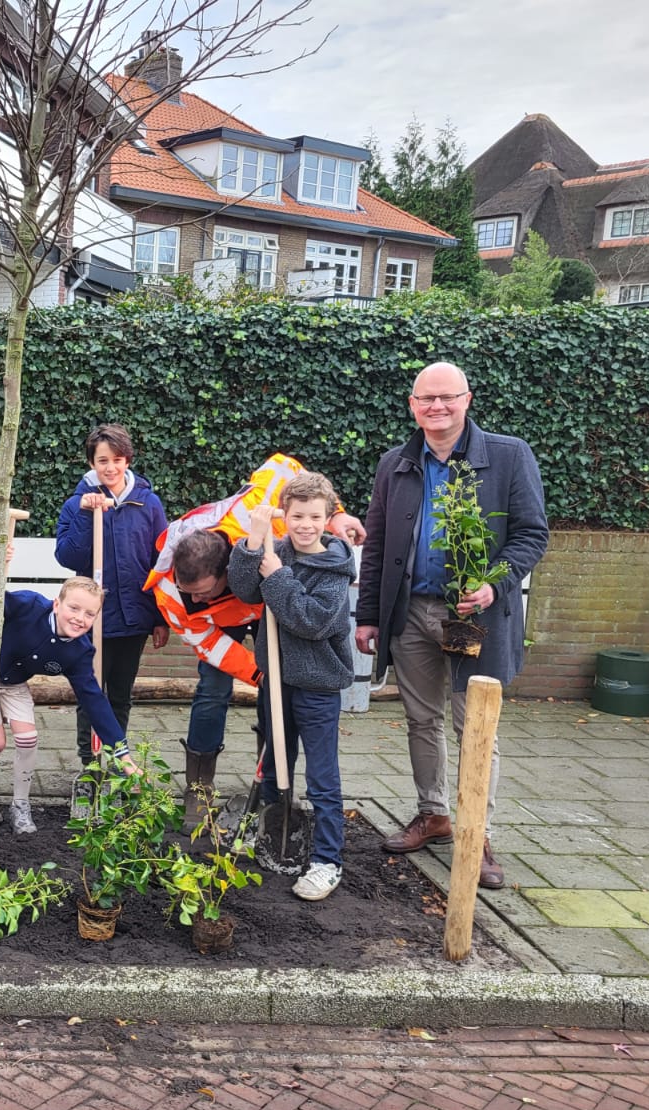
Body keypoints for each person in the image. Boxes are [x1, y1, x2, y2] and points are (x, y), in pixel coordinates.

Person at [355, 361, 548, 889]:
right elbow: (377, 545)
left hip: (471, 617)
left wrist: (494, 584)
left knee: (474, 724)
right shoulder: (395, 463)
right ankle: (434, 813)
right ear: (412, 405)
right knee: (422, 719)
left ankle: (475, 832)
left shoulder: (508, 456)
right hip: (411, 613)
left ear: (467, 399)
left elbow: (532, 534)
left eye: (447, 397)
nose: (436, 406)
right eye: (426, 398)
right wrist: (368, 615)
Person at [144, 453, 365, 825]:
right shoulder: (171, 596)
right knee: (213, 689)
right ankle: (199, 787)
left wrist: (337, 514)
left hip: (268, 594)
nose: (195, 597)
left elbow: (284, 468)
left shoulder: (253, 515)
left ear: (226, 571)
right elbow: (213, 647)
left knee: (278, 691)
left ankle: (273, 788)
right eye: (189, 591)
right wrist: (259, 673)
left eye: (203, 591)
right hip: (224, 620)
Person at [227, 473, 356, 900]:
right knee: (272, 763)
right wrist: (253, 541)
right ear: (285, 515)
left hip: (318, 686)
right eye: (297, 516)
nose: (305, 525)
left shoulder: (334, 568)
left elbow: (312, 621)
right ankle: (272, 831)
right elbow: (245, 590)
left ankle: (327, 861)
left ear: (327, 518)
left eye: (315, 517)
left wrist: (279, 576)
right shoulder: (275, 549)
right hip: (277, 681)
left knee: (322, 776)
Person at [0, 547, 134, 834]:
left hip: (13, 681)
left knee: (28, 738)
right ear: (56, 604)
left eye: (89, 614)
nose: (80, 618)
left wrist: (123, 755)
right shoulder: (27, 607)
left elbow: (94, 702)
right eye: (73, 608)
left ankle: (20, 805)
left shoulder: (79, 652)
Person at [54, 424, 168, 812]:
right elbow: (68, 557)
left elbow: (159, 561)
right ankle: (90, 770)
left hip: (132, 618)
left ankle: (118, 766)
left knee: (119, 696)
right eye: (102, 460)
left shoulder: (147, 504)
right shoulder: (76, 504)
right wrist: (87, 514)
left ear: (127, 460)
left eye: (117, 460)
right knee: (90, 695)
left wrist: (159, 617)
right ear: (92, 462)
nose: (110, 467)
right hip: (89, 620)